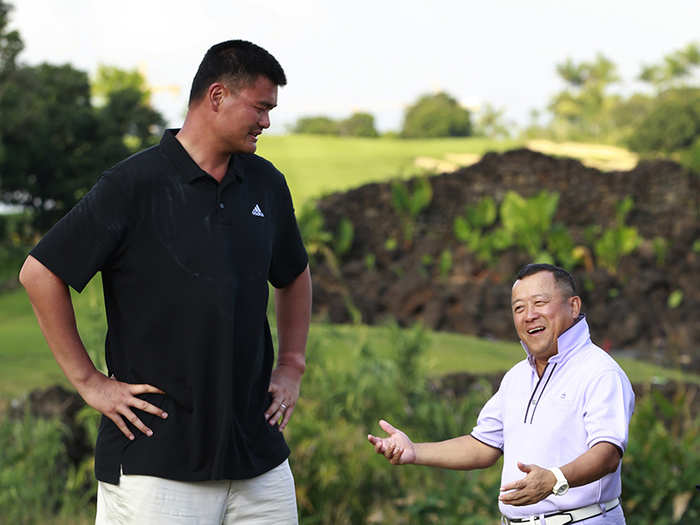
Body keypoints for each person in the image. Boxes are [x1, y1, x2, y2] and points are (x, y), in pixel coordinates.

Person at [19, 40, 311, 524]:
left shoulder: (265, 184)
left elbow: (294, 273)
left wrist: (293, 365)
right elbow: (40, 272)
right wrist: (88, 381)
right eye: (260, 108)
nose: (266, 122)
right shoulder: (133, 185)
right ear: (217, 97)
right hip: (156, 463)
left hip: (258, 460)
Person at [368, 263, 635, 524]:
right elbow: (483, 446)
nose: (529, 315)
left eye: (539, 303)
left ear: (573, 306)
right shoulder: (517, 377)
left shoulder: (600, 372)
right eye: (519, 308)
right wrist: (414, 451)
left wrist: (555, 479)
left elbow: (608, 453)